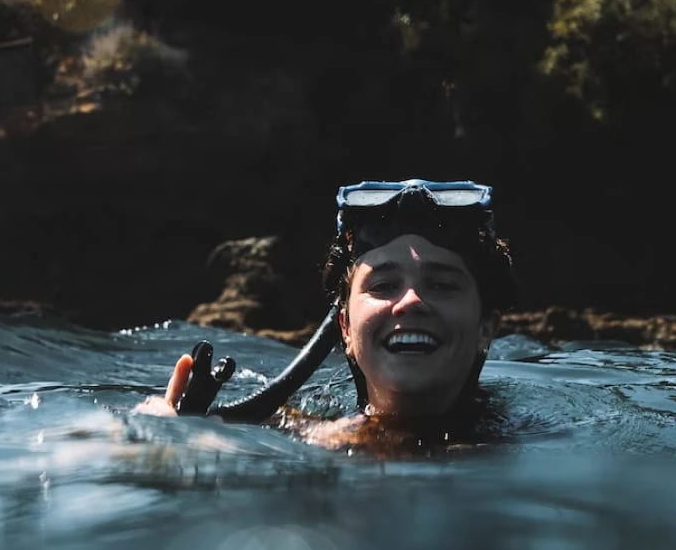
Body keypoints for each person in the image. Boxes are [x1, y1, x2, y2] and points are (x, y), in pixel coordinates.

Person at [136, 180, 516, 448]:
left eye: (443, 285)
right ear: (345, 328)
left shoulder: (544, 440)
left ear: (487, 327)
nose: (411, 301)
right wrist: (161, 438)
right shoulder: (295, 436)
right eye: (383, 286)